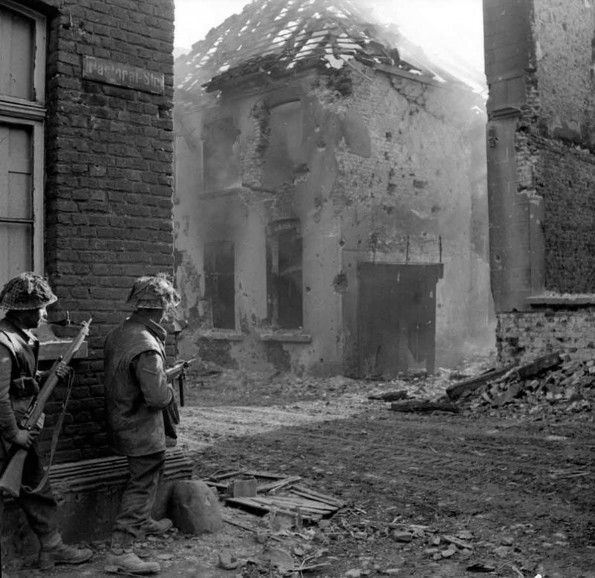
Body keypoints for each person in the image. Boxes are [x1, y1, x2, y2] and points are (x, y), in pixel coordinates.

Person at [0, 272, 93, 570]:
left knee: (36, 488)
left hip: (20, 428)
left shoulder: (21, 337)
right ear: (23, 309)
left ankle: (51, 549)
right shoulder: (3, 343)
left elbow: (18, 381)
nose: (44, 314)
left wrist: (48, 376)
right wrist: (14, 435)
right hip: (9, 432)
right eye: (40, 308)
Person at [103, 273, 181, 575]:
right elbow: (157, 397)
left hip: (121, 419)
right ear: (156, 309)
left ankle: (142, 519)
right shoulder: (147, 344)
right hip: (141, 427)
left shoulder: (120, 332)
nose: (167, 312)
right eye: (165, 307)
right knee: (143, 481)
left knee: (145, 475)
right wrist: (169, 386)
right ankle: (121, 550)